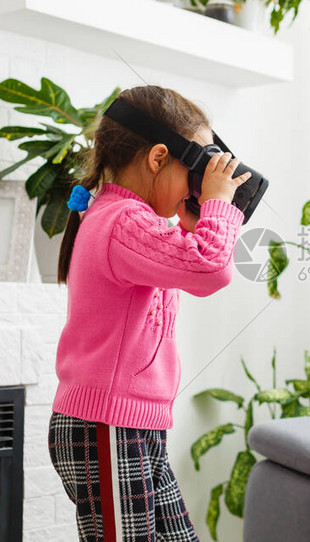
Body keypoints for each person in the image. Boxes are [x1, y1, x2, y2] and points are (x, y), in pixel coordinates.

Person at [48, 85, 251, 541]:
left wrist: (191, 225)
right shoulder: (122, 220)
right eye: (194, 170)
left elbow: (195, 271)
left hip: (134, 424)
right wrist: (218, 203)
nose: (196, 186)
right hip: (107, 424)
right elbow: (212, 270)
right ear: (158, 158)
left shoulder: (127, 219)